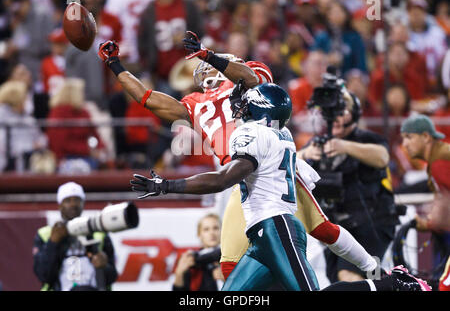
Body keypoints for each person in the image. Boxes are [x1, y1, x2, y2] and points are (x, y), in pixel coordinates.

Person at [97, 32, 378, 284]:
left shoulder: (247, 79)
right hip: (238, 176)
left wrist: (211, 55)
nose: (204, 69)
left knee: (323, 229)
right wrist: (115, 65)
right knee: (230, 264)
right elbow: (148, 98)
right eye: (203, 65)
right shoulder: (195, 103)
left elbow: (251, 79)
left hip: (270, 166)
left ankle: (375, 271)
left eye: (209, 64)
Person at [130, 83, 430, 292]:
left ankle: (392, 284)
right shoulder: (281, 134)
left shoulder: (252, 134)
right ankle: (384, 278)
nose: (240, 107)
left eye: (248, 104)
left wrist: (166, 185)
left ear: (260, 112)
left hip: (277, 226)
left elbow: (224, 179)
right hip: (263, 234)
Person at [297, 89, 400, 283]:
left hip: (372, 222)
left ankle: (391, 284)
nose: (336, 117)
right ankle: (391, 285)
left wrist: (345, 146)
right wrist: (306, 154)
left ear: (354, 115)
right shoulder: (317, 143)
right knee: (340, 280)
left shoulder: (366, 138)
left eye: (342, 111)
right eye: (332, 112)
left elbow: (382, 156)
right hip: (338, 227)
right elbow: (288, 161)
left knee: (350, 277)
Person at [32, 182, 118, 291]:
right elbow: (44, 276)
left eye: (77, 200)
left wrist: (104, 267)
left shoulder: (98, 233)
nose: (73, 204)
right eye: (68, 200)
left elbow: (112, 277)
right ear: (60, 205)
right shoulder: (45, 234)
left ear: (83, 203)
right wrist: (53, 243)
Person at [400, 114, 450, 291]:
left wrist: (429, 222)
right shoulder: (439, 158)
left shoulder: (440, 161)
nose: (404, 144)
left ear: (426, 137)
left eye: (409, 137)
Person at [173, 213, 223, 291]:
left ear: (222, 231)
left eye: (215, 228)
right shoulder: (191, 261)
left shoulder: (231, 257)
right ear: (199, 235)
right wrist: (179, 273)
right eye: (206, 229)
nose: (212, 233)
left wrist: (227, 280)